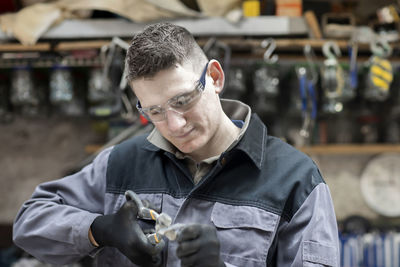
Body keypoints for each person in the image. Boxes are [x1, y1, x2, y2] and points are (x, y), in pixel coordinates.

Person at [13, 22, 340, 267]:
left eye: (183, 100)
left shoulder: (294, 179)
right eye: (154, 111)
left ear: (214, 77)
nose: (174, 124)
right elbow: (30, 222)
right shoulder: (120, 163)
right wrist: (99, 229)